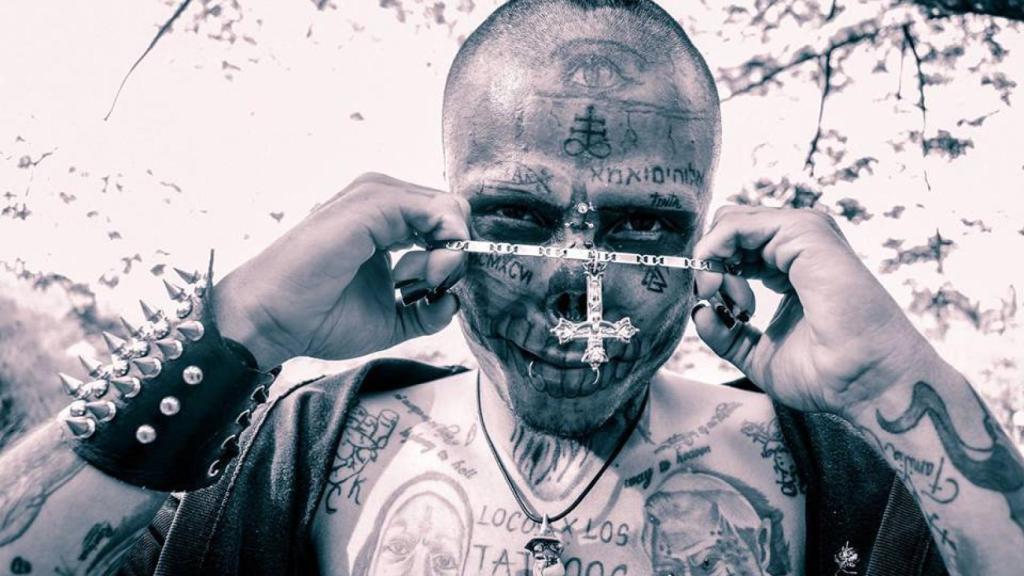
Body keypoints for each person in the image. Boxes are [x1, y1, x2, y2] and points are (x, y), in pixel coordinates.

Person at [0, 0, 1021, 574]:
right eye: (519, 216)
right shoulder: (302, 451)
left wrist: (897, 382)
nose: (578, 287)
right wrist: (239, 331)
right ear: (443, 218)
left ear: (709, 239)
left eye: (641, 226)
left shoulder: (836, 474)